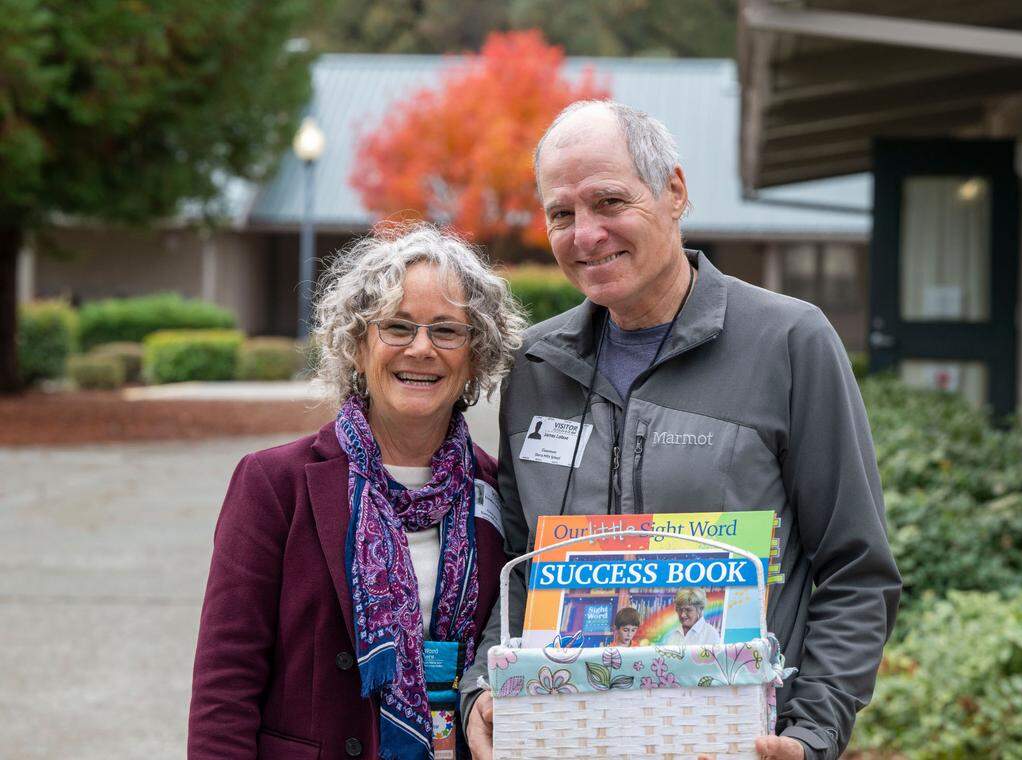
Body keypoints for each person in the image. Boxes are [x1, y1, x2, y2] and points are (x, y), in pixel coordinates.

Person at [461, 101, 902, 760]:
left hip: (726, 744)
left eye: (610, 202)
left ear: (674, 192)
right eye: (562, 214)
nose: (586, 234)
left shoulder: (788, 341)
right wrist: (481, 691)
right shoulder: (538, 365)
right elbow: (518, 570)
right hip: (565, 741)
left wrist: (810, 735)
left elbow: (856, 571)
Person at [188, 224, 527, 760]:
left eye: (446, 331)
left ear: (475, 358)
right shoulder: (274, 485)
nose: (421, 349)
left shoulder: (502, 491)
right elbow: (225, 684)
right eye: (396, 327)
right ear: (357, 346)